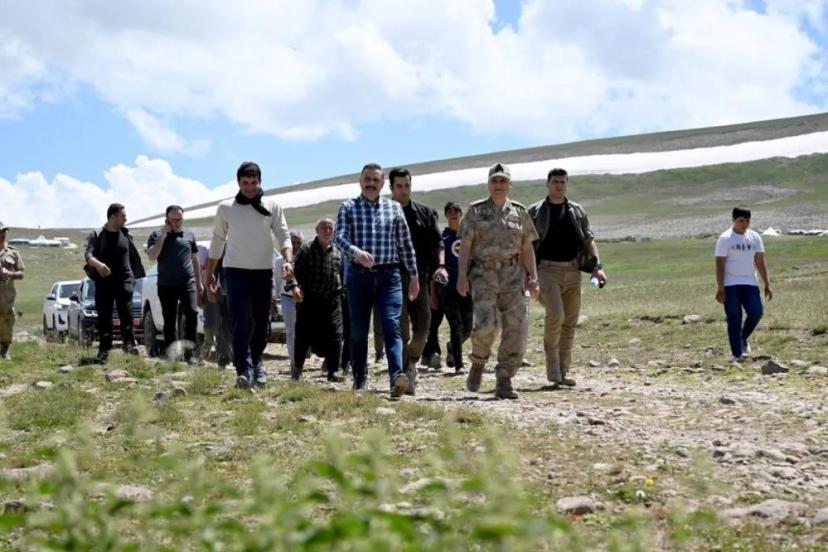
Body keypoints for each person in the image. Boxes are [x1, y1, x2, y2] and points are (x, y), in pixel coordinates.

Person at [335, 162, 419, 397]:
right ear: (360, 182)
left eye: (375, 180)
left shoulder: (394, 208)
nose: (371, 184)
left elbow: (405, 245)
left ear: (383, 184)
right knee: (359, 331)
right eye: (367, 179)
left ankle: (396, 378)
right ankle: (360, 381)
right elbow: (339, 238)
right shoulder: (348, 207)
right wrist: (356, 253)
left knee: (392, 327)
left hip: (389, 277)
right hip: (358, 277)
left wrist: (413, 275)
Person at [207, 162, 292, 389]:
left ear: (260, 181)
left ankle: (256, 362)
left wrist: (288, 260)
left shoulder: (272, 206)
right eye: (245, 183)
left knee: (262, 323)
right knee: (240, 320)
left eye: (253, 182)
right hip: (234, 272)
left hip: (263, 272)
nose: (250, 187)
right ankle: (243, 371)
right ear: (238, 183)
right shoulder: (226, 208)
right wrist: (210, 273)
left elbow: (283, 234)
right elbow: (218, 240)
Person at [457, 163, 539, 399]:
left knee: (516, 327)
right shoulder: (475, 211)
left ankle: (504, 377)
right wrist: (461, 275)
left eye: (503, 181)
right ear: (489, 184)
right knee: (486, 326)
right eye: (495, 180)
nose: (498, 184)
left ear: (510, 184)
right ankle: (479, 361)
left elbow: (526, 247)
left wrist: (533, 277)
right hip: (483, 275)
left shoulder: (519, 212)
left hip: (513, 275)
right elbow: (466, 246)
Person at [528, 168, 607, 387]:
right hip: (546, 270)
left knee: (570, 322)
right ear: (547, 184)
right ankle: (552, 368)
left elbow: (589, 239)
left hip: (573, 270)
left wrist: (597, 267)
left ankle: (563, 371)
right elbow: (525, 244)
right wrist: (528, 274)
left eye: (563, 182)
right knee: (556, 315)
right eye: (555, 182)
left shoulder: (577, 211)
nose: (559, 185)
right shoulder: (535, 211)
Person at [388, 167, 445, 394]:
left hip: (419, 277)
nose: (404, 190)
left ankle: (412, 361)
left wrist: (440, 266)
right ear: (391, 188)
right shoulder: (383, 214)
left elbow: (438, 242)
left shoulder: (424, 213)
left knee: (423, 327)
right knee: (400, 329)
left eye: (407, 185)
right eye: (399, 186)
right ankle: (404, 374)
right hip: (392, 278)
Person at [84, 204, 145, 364]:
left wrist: (134, 276)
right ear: (113, 217)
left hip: (125, 281)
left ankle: (130, 346)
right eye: (123, 216)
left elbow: (132, 256)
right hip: (104, 282)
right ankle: (104, 351)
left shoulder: (125, 234)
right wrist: (99, 265)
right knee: (104, 317)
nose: (126, 219)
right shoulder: (97, 235)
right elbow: (88, 255)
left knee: (127, 313)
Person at [715, 206, 773, 362]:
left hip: (750, 282)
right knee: (734, 318)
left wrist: (767, 283)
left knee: (756, 312)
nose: (744, 224)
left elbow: (760, 261)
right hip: (730, 284)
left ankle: (742, 337)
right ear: (733, 220)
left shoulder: (755, 237)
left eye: (747, 221)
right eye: (741, 221)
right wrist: (720, 287)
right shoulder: (725, 238)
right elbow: (720, 263)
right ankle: (737, 354)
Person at [146, 205, 202, 363]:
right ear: (167, 219)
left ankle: (190, 354)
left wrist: (199, 283)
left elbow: (195, 259)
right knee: (169, 320)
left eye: (180, 219)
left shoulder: (189, 235)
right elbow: (151, 256)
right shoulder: (156, 235)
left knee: (192, 314)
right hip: (166, 284)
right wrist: (163, 236)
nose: (177, 222)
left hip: (187, 283)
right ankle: (172, 355)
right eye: (173, 220)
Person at [292, 218, 345, 382]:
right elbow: (293, 271)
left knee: (336, 335)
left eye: (330, 228)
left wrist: (343, 295)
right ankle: (297, 370)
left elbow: (342, 275)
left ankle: (333, 371)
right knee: (303, 336)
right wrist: (295, 287)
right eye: (324, 228)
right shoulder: (306, 249)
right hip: (309, 301)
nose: (327, 231)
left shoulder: (338, 252)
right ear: (317, 231)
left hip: (332, 301)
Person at [439, 202, 473, 374]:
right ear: (446, 215)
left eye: (456, 211)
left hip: (468, 287)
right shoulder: (443, 237)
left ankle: (452, 346)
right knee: (456, 325)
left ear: (461, 214)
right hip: (448, 288)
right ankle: (459, 365)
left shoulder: (468, 235)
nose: (453, 214)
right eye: (449, 212)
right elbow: (439, 258)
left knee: (468, 327)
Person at [274, 231, 304, 373]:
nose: (296, 245)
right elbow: (277, 281)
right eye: (293, 242)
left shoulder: (306, 258)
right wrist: (274, 300)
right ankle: (294, 363)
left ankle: (302, 357)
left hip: (304, 299)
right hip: (287, 298)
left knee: (303, 331)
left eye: (299, 242)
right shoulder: (279, 261)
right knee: (291, 331)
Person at [0, 222, 25, 360]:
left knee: (7, 320)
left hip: (6, 296)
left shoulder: (13, 252)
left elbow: (21, 273)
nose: (2, 234)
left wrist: (10, 273)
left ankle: (5, 350)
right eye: (0, 232)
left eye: (4, 231)